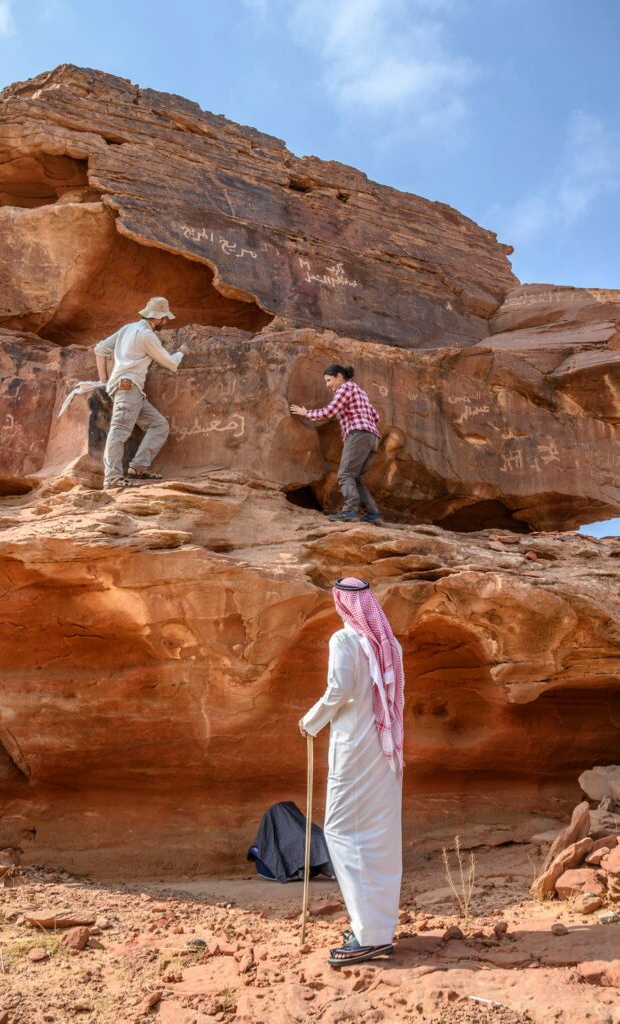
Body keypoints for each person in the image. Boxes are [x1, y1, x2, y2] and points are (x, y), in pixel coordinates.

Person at [299, 577, 404, 967]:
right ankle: (373, 929)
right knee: (379, 837)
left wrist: (311, 721)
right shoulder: (389, 644)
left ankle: (369, 937)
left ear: (343, 604)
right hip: (386, 752)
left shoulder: (343, 640)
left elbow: (339, 690)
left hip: (354, 751)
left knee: (342, 834)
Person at [94, 297, 187, 490]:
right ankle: (112, 478)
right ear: (158, 318)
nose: (166, 322)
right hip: (128, 388)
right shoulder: (147, 335)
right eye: (165, 318)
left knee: (158, 425)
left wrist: (104, 380)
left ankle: (138, 467)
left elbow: (100, 349)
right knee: (119, 431)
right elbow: (171, 363)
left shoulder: (127, 328)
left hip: (129, 389)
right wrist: (182, 352)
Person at [289, 365, 382, 523]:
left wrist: (306, 413)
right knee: (356, 478)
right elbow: (376, 416)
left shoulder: (345, 387)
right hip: (372, 438)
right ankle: (373, 514)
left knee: (345, 475)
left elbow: (329, 411)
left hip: (358, 434)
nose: (327, 385)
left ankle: (350, 512)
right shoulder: (361, 392)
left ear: (339, 376)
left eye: (328, 380)